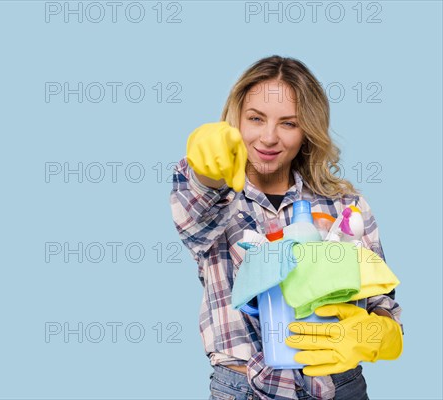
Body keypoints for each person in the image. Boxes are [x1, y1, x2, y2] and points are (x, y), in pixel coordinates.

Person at [169, 55, 403, 400]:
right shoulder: (215, 197)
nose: (268, 137)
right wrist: (207, 171)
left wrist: (376, 332)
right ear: (236, 121)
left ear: (307, 130)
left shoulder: (345, 204)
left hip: (340, 386)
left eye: (288, 124)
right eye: (255, 118)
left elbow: (380, 301)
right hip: (243, 388)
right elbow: (197, 206)